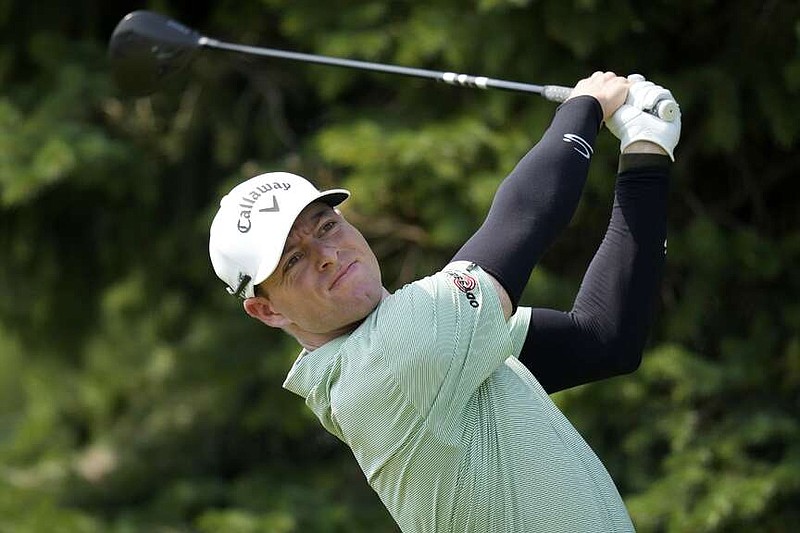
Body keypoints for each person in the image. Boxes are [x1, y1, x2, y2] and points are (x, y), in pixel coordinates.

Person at [208, 71, 681, 532]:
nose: (327, 256)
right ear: (267, 310)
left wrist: (646, 154)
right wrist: (587, 107)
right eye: (293, 260)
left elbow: (604, 338)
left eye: (327, 226)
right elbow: (521, 221)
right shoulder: (382, 368)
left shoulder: (444, 349)